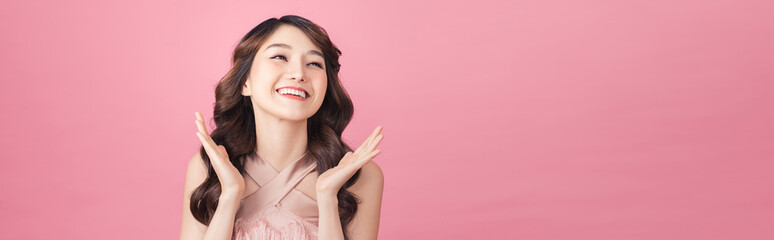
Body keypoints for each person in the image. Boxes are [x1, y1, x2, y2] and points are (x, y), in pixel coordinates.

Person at [179, 15, 384, 240]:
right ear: (245, 82)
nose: (299, 74)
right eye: (280, 56)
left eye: (314, 63)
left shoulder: (359, 176)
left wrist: (327, 198)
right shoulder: (208, 167)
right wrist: (229, 195)